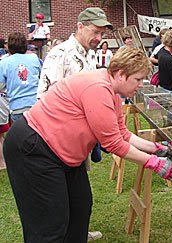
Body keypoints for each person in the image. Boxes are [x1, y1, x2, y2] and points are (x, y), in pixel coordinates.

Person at [3, 47, 172, 242]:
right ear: (121, 74)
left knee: (80, 207)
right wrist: (154, 163)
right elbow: (113, 144)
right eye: (138, 79)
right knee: (49, 223)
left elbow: (122, 133)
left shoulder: (112, 91)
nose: (141, 84)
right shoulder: (97, 88)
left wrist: (158, 149)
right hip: (33, 148)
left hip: (62, 155)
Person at [35, 7, 113, 241]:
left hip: (79, 140)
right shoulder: (60, 54)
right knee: (61, 198)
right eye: (95, 32)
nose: (99, 38)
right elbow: (45, 97)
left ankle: (78, 231)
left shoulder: (89, 54)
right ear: (80, 26)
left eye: (102, 34)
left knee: (79, 196)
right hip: (56, 141)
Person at [0, 32, 40, 122]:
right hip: (35, 104)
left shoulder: (4, 62)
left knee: (20, 135)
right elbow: (41, 77)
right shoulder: (34, 58)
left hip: (17, 106)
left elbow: (1, 86)